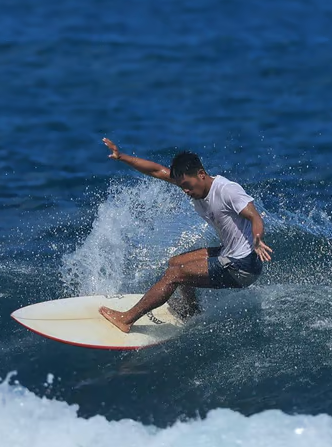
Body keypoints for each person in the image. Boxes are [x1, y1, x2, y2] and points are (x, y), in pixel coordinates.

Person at [98, 137, 272, 333]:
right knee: (175, 262)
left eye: (188, 185)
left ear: (201, 174)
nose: (186, 191)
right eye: (182, 186)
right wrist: (122, 157)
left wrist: (257, 238)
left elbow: (254, 216)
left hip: (243, 265)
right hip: (229, 254)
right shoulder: (191, 183)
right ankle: (191, 310)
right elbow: (156, 171)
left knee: (175, 275)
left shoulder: (227, 191)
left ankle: (126, 319)